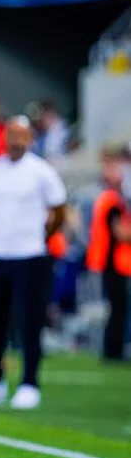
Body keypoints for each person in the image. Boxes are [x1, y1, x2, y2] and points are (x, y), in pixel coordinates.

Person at [0, 116, 66, 411]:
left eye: (22, 136)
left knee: (30, 320)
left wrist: (43, 235)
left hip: (31, 254)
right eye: (11, 135)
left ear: (30, 139)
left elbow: (59, 210)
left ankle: (29, 383)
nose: (16, 141)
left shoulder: (42, 171)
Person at [85, 152, 131, 361]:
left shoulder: (109, 199)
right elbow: (120, 233)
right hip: (111, 262)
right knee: (117, 308)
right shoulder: (112, 201)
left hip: (108, 261)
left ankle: (113, 349)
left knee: (117, 308)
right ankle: (113, 350)